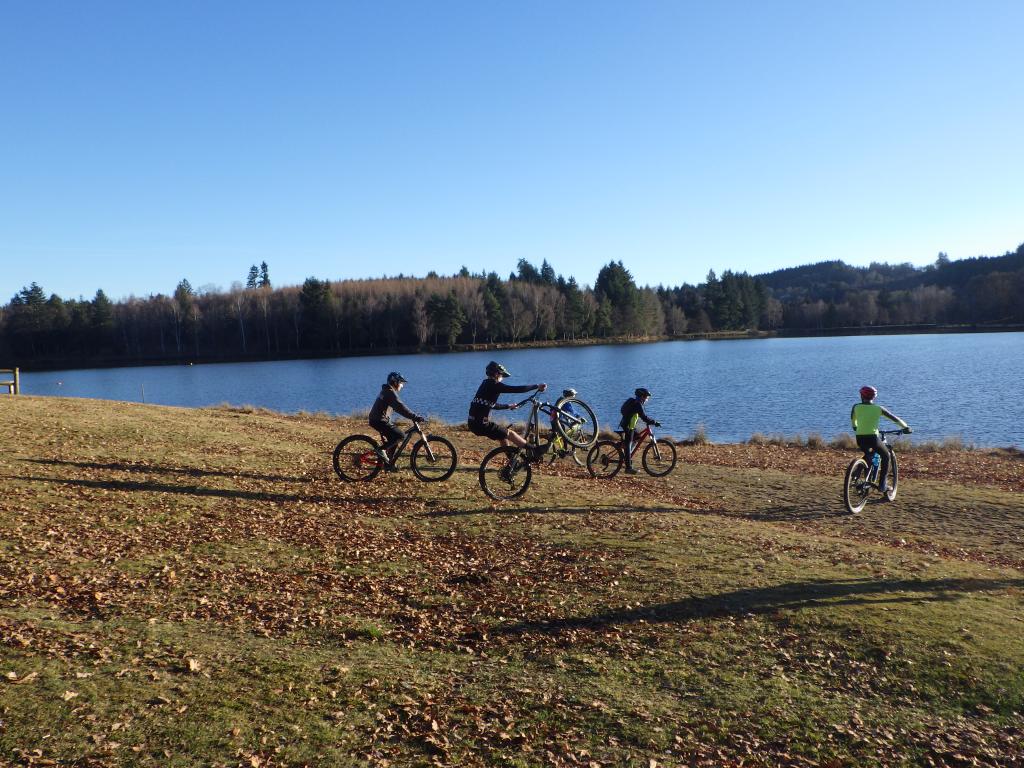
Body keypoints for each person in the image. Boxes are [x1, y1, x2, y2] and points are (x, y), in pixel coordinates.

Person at [467, 361, 547, 458]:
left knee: (502, 436)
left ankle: (511, 460)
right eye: (502, 375)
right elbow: (516, 389)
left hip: (472, 423)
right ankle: (535, 450)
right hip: (481, 424)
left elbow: (490, 405)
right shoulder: (495, 385)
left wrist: (508, 406)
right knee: (511, 434)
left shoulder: (485, 384)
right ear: (496, 374)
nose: (502, 378)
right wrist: (536, 386)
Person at [851, 385, 912, 494]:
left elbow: (853, 421)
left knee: (868, 455)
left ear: (861, 395)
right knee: (886, 456)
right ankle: (882, 485)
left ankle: (857, 471)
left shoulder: (856, 407)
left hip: (860, 437)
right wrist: (905, 427)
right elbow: (894, 418)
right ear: (874, 397)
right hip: (873, 438)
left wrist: (857, 427)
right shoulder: (878, 409)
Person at [368, 372, 424, 470]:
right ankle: (381, 450)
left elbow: (397, 407)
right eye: (401, 383)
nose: (402, 386)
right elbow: (400, 407)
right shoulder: (390, 392)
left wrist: (410, 416)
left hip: (378, 419)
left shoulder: (387, 391)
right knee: (401, 436)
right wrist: (414, 416)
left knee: (394, 439)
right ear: (395, 382)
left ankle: (388, 464)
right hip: (379, 420)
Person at [619, 387, 660, 474]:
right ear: (641, 396)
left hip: (628, 425)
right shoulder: (638, 405)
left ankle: (626, 454)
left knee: (637, 437)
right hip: (628, 426)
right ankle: (628, 467)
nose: (647, 399)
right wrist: (654, 422)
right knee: (628, 443)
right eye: (646, 397)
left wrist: (649, 421)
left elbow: (642, 416)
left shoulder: (635, 402)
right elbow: (644, 417)